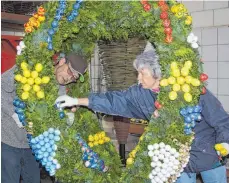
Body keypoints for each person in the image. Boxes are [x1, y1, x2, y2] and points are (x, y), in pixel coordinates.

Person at [55, 42, 229, 183]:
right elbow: (114, 100)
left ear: (158, 75)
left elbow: (220, 119)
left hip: (208, 155)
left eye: (142, 74)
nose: (138, 78)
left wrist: (224, 143)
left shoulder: (189, 90)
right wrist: (78, 101)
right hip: (177, 160)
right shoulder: (140, 93)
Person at [1, 52, 87, 183]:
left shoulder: (61, 90)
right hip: (8, 140)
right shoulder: (31, 69)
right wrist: (14, 113)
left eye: (74, 77)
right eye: (70, 72)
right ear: (62, 61)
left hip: (32, 146)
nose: (70, 78)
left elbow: (54, 117)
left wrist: (66, 118)